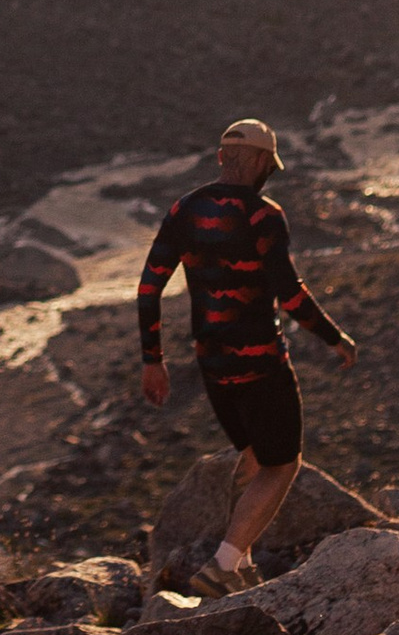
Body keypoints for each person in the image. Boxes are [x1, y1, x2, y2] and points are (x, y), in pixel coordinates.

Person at [135, 116, 356, 594]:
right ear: (260, 161)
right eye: (268, 166)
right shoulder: (263, 215)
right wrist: (334, 337)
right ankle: (224, 566)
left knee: (254, 455)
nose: (267, 175)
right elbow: (289, 293)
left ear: (222, 157)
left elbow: (149, 287)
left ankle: (241, 563)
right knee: (283, 464)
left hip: (212, 363)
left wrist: (153, 359)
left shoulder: (185, 209)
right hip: (261, 362)